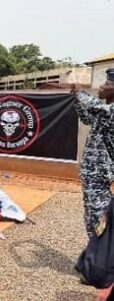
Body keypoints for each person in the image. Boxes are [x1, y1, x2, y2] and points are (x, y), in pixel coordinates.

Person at [72, 68, 114, 239]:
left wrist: (80, 92)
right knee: (91, 215)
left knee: (99, 215)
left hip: (100, 175)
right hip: (91, 174)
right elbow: (87, 118)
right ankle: (94, 254)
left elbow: (94, 106)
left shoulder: (110, 112)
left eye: (107, 83)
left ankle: (104, 258)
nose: (101, 86)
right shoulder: (104, 110)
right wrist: (76, 98)